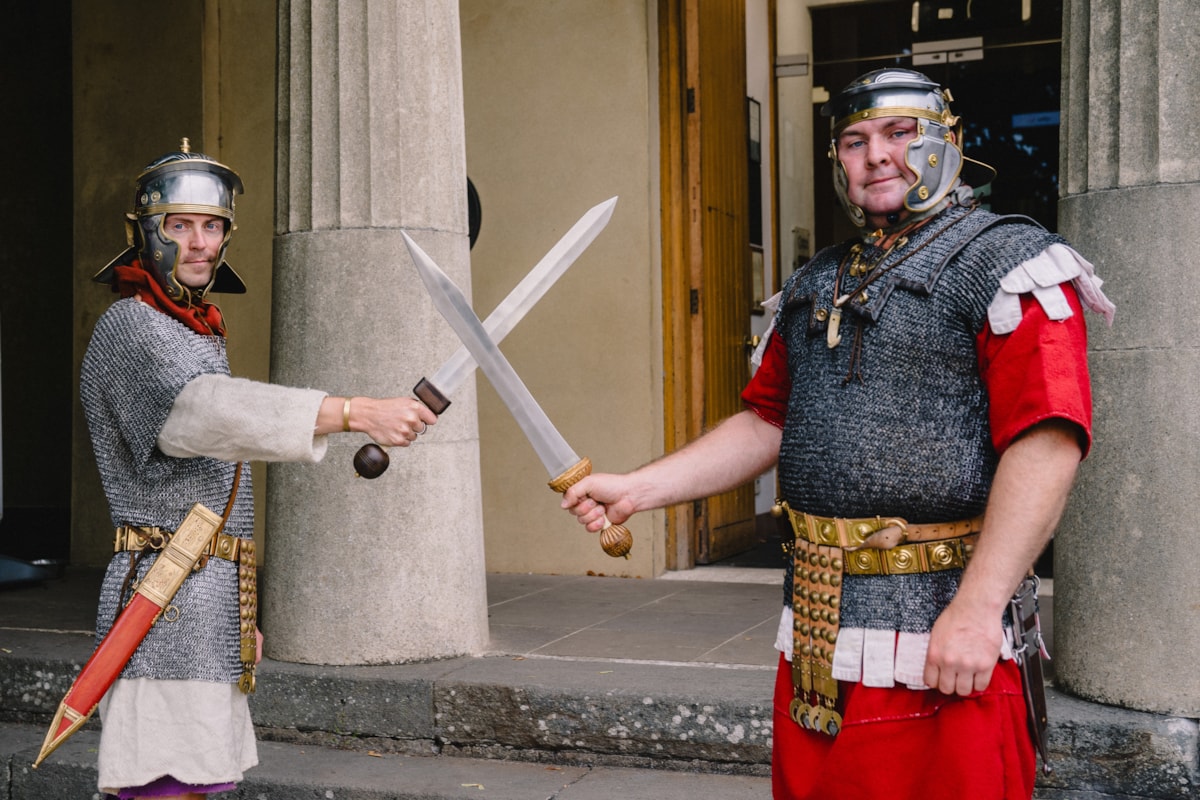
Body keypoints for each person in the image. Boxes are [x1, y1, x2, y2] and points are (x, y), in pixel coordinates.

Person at [562, 69, 1114, 800]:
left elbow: (1047, 441)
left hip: (942, 624)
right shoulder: (817, 282)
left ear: (949, 144)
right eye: (855, 141)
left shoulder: (1009, 263)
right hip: (820, 626)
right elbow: (767, 420)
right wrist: (638, 488)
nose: (877, 156)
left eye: (899, 134)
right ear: (836, 163)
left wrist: (978, 612)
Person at [80, 139, 438, 800]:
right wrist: (356, 411)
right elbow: (203, 414)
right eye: (179, 225)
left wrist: (237, 610)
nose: (198, 243)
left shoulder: (193, 331)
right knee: (163, 787)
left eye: (211, 226)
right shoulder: (130, 326)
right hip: (159, 598)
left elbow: (218, 480)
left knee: (201, 781)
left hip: (202, 597)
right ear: (145, 234)